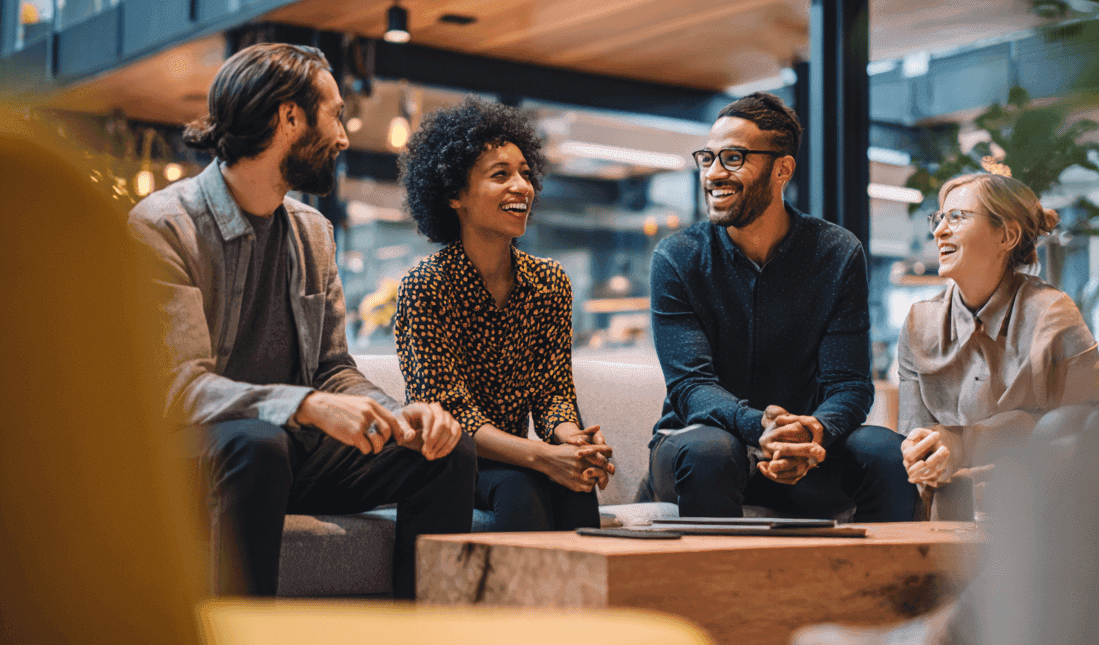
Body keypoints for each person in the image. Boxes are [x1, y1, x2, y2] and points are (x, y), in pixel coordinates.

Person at [128, 43, 475, 599]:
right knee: (258, 446)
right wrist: (308, 407)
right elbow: (180, 387)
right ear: (289, 117)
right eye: (335, 113)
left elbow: (334, 367)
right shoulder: (165, 226)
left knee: (445, 453)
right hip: (199, 455)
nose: (343, 135)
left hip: (290, 452)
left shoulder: (312, 230)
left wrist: (397, 415)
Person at [648, 92, 915, 521]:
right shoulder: (677, 258)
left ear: (782, 169)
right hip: (698, 445)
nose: (713, 173)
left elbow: (849, 385)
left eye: (733, 158)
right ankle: (715, 589)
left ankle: (872, 585)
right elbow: (690, 388)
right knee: (713, 451)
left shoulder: (837, 253)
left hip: (801, 456)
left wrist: (814, 431)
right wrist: (761, 426)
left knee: (888, 454)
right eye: (707, 158)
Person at [394, 98, 613, 532]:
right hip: (445, 461)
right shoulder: (426, 286)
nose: (522, 187)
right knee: (520, 487)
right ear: (456, 195)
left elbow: (553, 392)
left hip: (512, 456)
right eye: (501, 175)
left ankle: (585, 602)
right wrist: (544, 456)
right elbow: (453, 416)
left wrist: (572, 439)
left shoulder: (549, 282)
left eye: (525, 174)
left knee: (578, 484)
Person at [897, 172, 1099, 518]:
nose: (938, 231)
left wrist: (966, 443)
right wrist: (919, 452)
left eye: (957, 217)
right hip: (944, 519)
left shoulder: (1051, 313)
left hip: (1040, 517)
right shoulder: (919, 324)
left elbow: (1091, 429)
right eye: (939, 218)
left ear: (1007, 235)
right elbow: (912, 434)